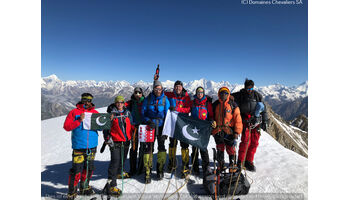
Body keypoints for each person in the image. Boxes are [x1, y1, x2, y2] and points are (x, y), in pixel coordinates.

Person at [63, 93, 99, 200]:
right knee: (76, 170)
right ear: (81, 100)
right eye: (84, 100)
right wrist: (79, 120)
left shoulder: (95, 113)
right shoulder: (74, 112)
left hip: (92, 146)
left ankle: (84, 187)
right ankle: (72, 192)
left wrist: (107, 121)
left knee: (89, 168)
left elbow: (101, 127)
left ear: (91, 101)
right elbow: (66, 127)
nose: (86, 102)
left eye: (88, 100)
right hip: (79, 146)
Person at [231, 79, 268, 172]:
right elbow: (230, 97)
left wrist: (265, 121)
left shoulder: (257, 96)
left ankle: (249, 161)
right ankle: (240, 161)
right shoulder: (240, 95)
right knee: (245, 141)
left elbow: (264, 109)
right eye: (247, 88)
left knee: (254, 143)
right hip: (245, 122)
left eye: (251, 88)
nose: (249, 90)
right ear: (245, 87)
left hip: (256, 122)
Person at [103, 95, 134, 196]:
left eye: (121, 102)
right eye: (118, 102)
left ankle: (119, 173)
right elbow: (106, 128)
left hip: (126, 141)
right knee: (114, 163)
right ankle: (112, 186)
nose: (119, 104)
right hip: (115, 142)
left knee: (123, 158)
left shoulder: (127, 112)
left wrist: (134, 133)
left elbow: (132, 123)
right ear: (115, 103)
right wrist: (107, 139)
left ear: (124, 103)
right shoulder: (111, 114)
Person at [141, 80, 170, 183]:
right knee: (149, 149)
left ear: (162, 89)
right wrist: (148, 121)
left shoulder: (165, 100)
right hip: (150, 127)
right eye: (156, 88)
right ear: (153, 89)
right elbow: (143, 113)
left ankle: (160, 169)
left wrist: (167, 130)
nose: (158, 90)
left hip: (162, 126)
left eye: (159, 88)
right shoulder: (148, 99)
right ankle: (147, 172)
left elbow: (168, 115)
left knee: (161, 148)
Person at [211, 87, 243, 173]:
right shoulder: (215, 104)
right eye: (221, 93)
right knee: (220, 148)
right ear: (219, 94)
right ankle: (221, 164)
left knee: (230, 148)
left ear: (228, 94)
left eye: (225, 93)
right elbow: (211, 116)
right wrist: (211, 123)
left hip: (229, 131)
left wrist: (237, 131)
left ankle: (232, 164)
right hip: (217, 131)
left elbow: (238, 120)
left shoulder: (233, 105)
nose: (223, 95)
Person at [164, 80, 192, 178]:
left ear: (182, 88)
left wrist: (177, 109)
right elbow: (158, 92)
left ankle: (185, 166)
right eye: (176, 87)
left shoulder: (187, 97)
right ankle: (172, 163)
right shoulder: (170, 95)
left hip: (183, 124)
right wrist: (156, 81)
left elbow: (188, 109)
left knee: (184, 145)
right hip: (173, 124)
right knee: (172, 144)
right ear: (174, 88)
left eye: (179, 87)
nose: (178, 88)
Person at [190, 87, 213, 177]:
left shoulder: (207, 104)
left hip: (203, 130)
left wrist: (211, 121)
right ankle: (195, 167)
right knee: (194, 149)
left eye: (201, 92)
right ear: (196, 93)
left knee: (203, 149)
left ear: (203, 93)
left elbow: (210, 115)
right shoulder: (193, 103)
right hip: (194, 129)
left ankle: (206, 168)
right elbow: (188, 111)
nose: (200, 94)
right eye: (198, 92)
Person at [125, 87, 145, 176]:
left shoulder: (145, 101)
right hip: (134, 128)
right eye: (135, 92)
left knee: (143, 148)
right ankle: (133, 168)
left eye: (139, 92)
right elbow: (121, 105)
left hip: (144, 127)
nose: (137, 94)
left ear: (142, 93)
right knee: (133, 148)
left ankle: (141, 168)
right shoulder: (130, 103)